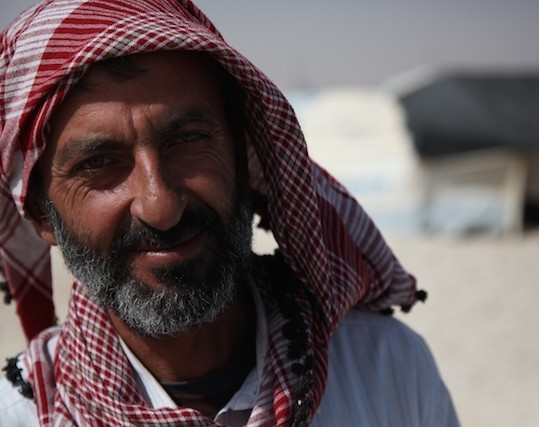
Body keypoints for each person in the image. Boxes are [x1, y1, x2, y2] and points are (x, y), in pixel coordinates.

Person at [0, 1, 459, 426]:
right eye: (98, 163)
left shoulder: (388, 373)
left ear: (243, 152)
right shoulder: (18, 414)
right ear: (41, 214)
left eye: (188, 140)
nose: (161, 207)